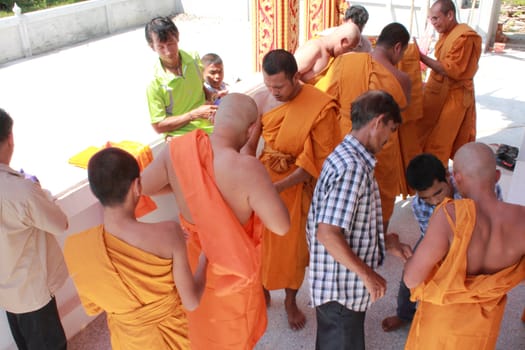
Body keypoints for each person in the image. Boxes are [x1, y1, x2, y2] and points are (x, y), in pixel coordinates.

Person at [140, 93, 290, 349]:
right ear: (252, 129)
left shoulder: (176, 150)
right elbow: (281, 226)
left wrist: (182, 185)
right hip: (234, 277)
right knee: (234, 335)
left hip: (195, 271)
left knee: (204, 332)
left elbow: (143, 186)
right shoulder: (248, 169)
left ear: (214, 117)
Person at [64, 147, 207, 349]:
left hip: (127, 341)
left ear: (95, 191)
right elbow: (191, 301)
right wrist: (204, 261)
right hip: (174, 338)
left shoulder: (77, 248)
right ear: (137, 186)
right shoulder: (169, 233)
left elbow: (94, 307)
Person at [307, 91, 411, 350]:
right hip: (340, 289)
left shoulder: (348, 156)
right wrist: (368, 275)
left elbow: (348, 225)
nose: (389, 138)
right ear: (379, 121)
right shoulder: (352, 167)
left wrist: (386, 243)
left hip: (340, 284)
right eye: (391, 129)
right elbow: (327, 233)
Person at [250, 49, 344, 330]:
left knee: (292, 251)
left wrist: (276, 188)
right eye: (269, 85)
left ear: (295, 77)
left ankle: (291, 300)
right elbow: (250, 141)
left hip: (295, 185)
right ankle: (261, 290)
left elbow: (317, 162)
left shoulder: (319, 106)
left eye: (279, 86)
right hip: (262, 179)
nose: (273, 92)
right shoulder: (263, 98)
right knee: (258, 243)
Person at [404, 142, 525, 349]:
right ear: (497, 176)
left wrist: (409, 258)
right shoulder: (522, 219)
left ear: (456, 178)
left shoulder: (449, 215)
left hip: (442, 325)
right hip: (483, 327)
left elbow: (411, 279)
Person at [381, 153, 503, 332]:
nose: (435, 201)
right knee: (411, 272)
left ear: (448, 176)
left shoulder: (477, 187)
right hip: (438, 236)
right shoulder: (419, 206)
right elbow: (429, 235)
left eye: (438, 192)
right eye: (426, 198)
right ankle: (404, 314)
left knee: (471, 281)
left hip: (478, 235)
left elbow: (494, 220)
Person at [315, 22, 411, 233]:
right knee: (383, 195)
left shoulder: (345, 62)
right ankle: (379, 237)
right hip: (382, 146)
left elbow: (323, 97)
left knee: (345, 190)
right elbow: (401, 113)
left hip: (347, 137)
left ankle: (341, 234)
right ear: (397, 48)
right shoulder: (402, 79)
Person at [0, 108, 68, 350]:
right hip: (32, 292)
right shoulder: (21, 191)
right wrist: (40, 191)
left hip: (7, 292)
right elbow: (60, 223)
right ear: (10, 138)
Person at [418, 0, 482, 166]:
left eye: (436, 18)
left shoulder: (465, 37)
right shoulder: (446, 34)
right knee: (425, 133)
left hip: (455, 97)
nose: (433, 23)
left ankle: (438, 179)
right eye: (430, 19)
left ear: (450, 15)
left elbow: (451, 69)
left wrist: (422, 57)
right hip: (439, 92)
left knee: (441, 142)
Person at [145, 16, 218, 138]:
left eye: (170, 44)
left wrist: (211, 95)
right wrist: (194, 114)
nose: (168, 52)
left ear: (177, 37)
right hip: (181, 135)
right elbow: (158, 125)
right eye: (161, 47)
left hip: (210, 125)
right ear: (152, 47)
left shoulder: (194, 59)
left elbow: (199, 86)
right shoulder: (154, 82)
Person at [294, 21, 360, 83]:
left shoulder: (332, 55)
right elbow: (288, 77)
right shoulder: (314, 48)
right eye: (350, 48)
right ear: (344, 42)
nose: (348, 53)